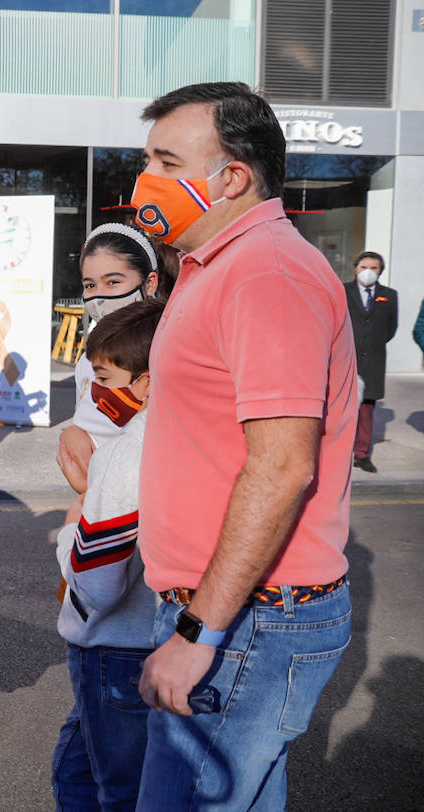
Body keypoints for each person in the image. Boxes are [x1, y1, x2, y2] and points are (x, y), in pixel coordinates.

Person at [128, 83, 355, 809]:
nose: (145, 178)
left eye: (167, 159)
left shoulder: (265, 273)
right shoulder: (217, 266)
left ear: (232, 176)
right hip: (238, 606)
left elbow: (284, 466)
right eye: (146, 157)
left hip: (249, 612)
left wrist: (200, 630)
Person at [51, 299, 165, 812]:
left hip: (115, 650)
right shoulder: (179, 439)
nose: (95, 390)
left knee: (117, 791)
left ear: (145, 381)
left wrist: (73, 521)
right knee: (77, 765)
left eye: (103, 375)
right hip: (148, 641)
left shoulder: (125, 454)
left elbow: (99, 584)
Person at [56, 224, 176, 497]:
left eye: (113, 282)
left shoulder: (166, 343)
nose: (99, 295)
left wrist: (92, 487)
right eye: (90, 285)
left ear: (150, 283)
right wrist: (73, 432)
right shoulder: (97, 339)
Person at [345, 251, 398, 473]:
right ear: (355, 268)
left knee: (366, 411)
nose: (368, 272)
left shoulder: (389, 294)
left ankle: (362, 454)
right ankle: (338, 453)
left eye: (374, 268)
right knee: (341, 410)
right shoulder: (343, 290)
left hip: (373, 362)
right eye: (363, 267)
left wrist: (371, 344)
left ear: (380, 271)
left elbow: (390, 328)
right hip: (346, 359)